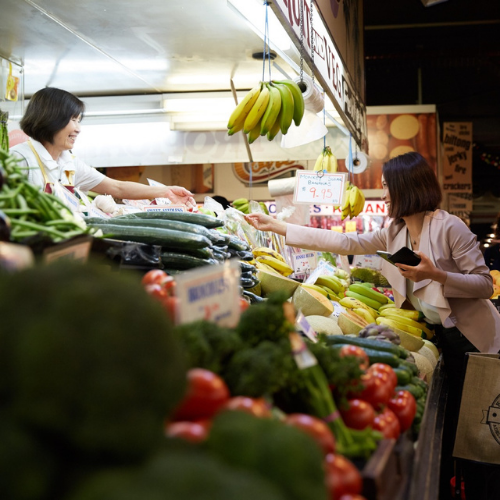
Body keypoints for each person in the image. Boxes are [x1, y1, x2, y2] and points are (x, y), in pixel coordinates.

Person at [245, 151, 500, 500]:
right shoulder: (394, 231)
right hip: (441, 336)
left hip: (473, 341)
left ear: (407, 186)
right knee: (454, 427)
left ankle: (483, 490)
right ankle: (459, 489)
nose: (384, 194)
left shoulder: (449, 227)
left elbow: (484, 284)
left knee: (478, 429)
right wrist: (278, 226)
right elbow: (346, 242)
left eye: (387, 187)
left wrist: (436, 274)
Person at [10, 87, 196, 208]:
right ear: (51, 118)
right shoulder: (20, 159)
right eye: (73, 120)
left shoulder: (69, 164)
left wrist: (166, 191)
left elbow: (117, 187)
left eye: (79, 121)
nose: (78, 129)